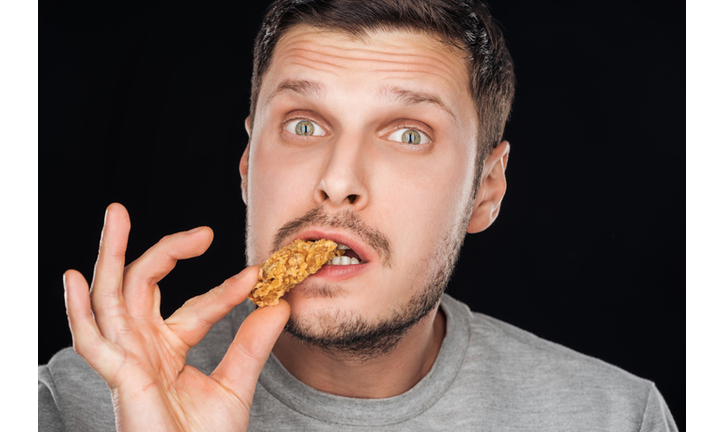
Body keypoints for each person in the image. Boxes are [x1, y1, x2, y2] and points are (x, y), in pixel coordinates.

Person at [38, 0, 678, 430]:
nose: (338, 181)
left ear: (486, 190)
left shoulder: (615, 416)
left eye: (407, 134)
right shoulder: (72, 404)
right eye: (305, 124)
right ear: (246, 164)